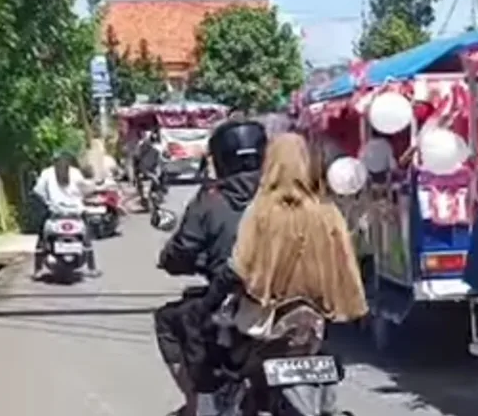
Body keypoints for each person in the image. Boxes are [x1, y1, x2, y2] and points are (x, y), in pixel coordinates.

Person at [153, 118, 268, 416]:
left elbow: (182, 250)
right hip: (293, 304)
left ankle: (200, 399)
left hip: (236, 302)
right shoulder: (285, 196)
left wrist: (174, 261)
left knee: (171, 320)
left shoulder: (211, 200)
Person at [231, 131, 367, 328]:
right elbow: (346, 262)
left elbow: (241, 263)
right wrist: (353, 306)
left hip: (268, 309)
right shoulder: (327, 212)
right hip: (319, 308)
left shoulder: (261, 210)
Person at [31, 150, 100, 279]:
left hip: (55, 213)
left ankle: (38, 269)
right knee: (87, 239)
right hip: (75, 213)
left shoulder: (47, 173)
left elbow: (38, 191)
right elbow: (85, 189)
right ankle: (92, 268)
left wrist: (47, 202)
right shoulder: (74, 172)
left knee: (41, 240)